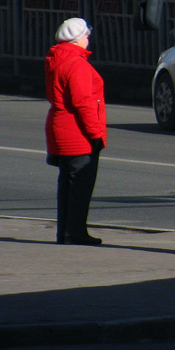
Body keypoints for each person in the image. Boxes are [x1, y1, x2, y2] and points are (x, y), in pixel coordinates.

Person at [44, 17, 106, 246]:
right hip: (78, 133)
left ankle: (66, 232)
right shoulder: (77, 64)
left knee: (67, 185)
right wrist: (96, 133)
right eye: (86, 35)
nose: (88, 38)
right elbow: (83, 102)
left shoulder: (57, 60)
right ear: (78, 38)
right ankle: (76, 233)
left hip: (60, 129)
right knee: (80, 185)